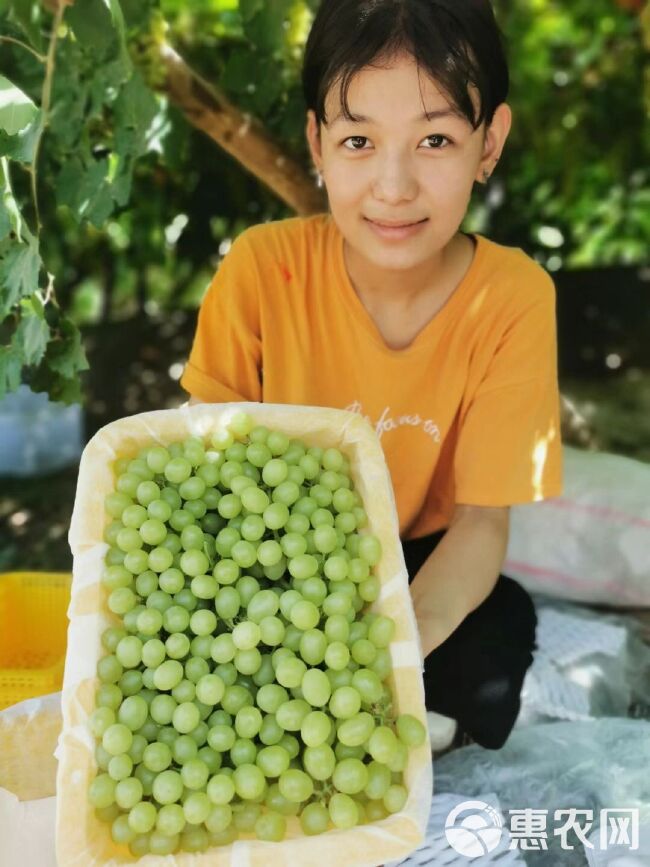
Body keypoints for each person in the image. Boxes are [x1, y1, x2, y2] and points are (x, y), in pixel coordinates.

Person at [180, 0, 563, 750]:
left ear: (490, 144)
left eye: (436, 139)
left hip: (411, 557)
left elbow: (483, 521)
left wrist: (373, 653)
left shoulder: (513, 297)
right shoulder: (262, 269)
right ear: (317, 143)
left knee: (497, 634)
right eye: (359, 139)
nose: (394, 186)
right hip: (265, 561)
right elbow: (201, 476)